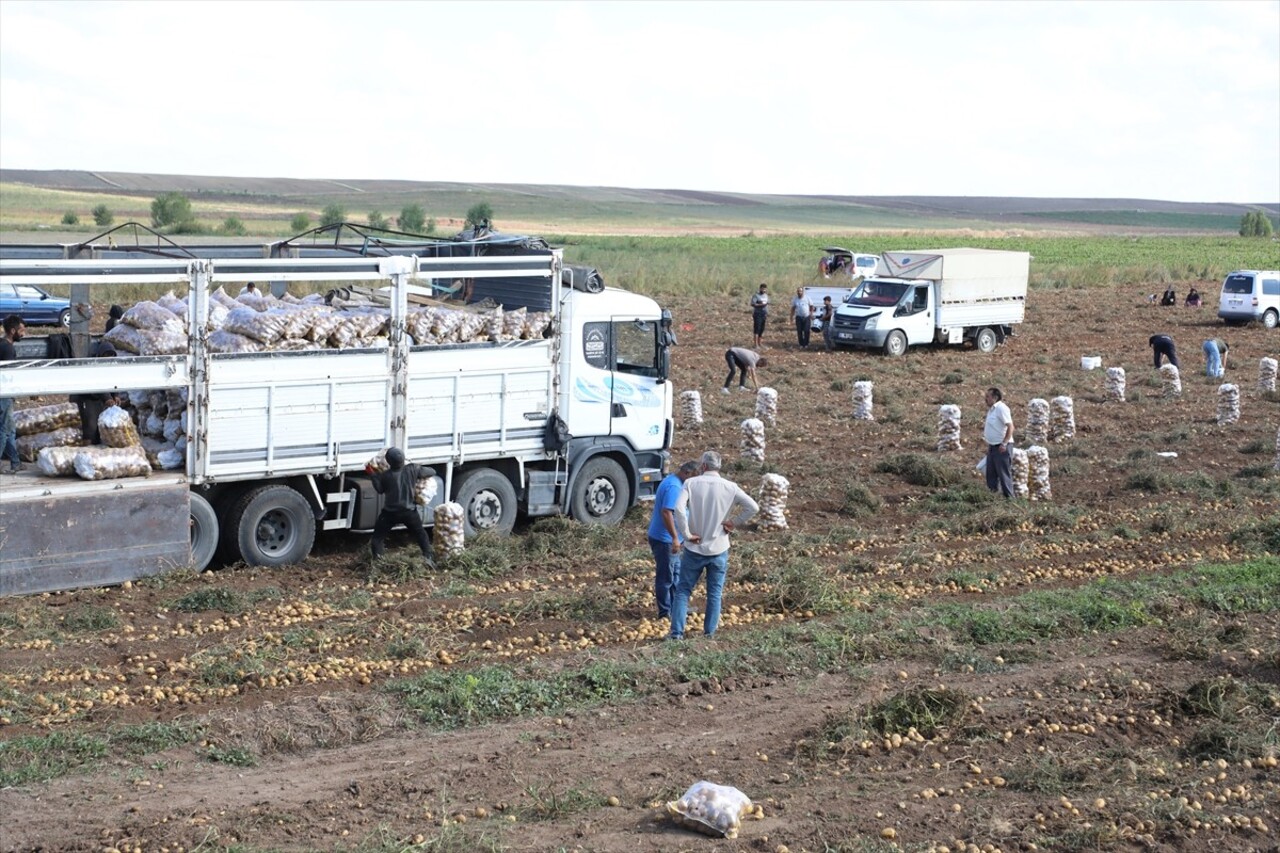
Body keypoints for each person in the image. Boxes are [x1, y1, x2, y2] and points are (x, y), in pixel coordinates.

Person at [668, 451, 759, 641]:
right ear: (719, 467)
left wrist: (686, 535)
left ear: (703, 466)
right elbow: (753, 507)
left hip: (695, 547)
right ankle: (709, 635)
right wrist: (734, 522)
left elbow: (678, 509)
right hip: (719, 549)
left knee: (683, 591)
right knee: (714, 594)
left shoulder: (691, 483)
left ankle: (677, 634)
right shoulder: (730, 487)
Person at [647, 460, 700, 620]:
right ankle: (665, 612)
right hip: (665, 540)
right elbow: (666, 512)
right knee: (666, 577)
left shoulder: (673, 481)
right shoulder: (674, 487)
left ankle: (678, 608)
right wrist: (675, 538)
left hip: (669, 539)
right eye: (694, 478)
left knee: (676, 575)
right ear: (687, 473)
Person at [367, 447, 435, 561]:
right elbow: (432, 472)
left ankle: (378, 562)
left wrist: (372, 475)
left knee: (377, 539)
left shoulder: (385, 475)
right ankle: (428, 557)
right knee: (421, 534)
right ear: (404, 459)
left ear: (388, 462)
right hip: (409, 512)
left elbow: (379, 490)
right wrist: (418, 467)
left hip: (389, 514)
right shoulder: (412, 469)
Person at [72, 346, 120, 445]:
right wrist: (107, 398)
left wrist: (115, 395)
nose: (109, 358)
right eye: (106, 356)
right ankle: (86, 450)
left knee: (101, 427)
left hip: (99, 399)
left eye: (111, 356)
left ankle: (96, 452)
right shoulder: (92, 365)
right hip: (86, 397)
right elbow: (98, 382)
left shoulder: (113, 367)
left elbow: (114, 381)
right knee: (90, 427)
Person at [1, 315, 27, 472]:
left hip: (4, 393)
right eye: (21, 330)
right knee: (4, 429)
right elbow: (10, 375)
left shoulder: (1, 344)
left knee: (10, 429)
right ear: (13, 331)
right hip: (4, 394)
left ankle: (15, 462)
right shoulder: (8, 349)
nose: (24, 334)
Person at [983, 387, 1015, 498]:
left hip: (1002, 448)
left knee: (1004, 474)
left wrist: (1004, 443)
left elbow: (1010, 427)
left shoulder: (1001, 408)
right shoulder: (992, 410)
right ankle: (993, 497)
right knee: (991, 474)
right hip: (992, 447)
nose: (985, 399)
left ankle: (1010, 500)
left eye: (988, 396)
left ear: (995, 398)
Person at [749, 283, 769, 348]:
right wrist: (760, 305)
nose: (763, 290)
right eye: (762, 288)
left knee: (761, 329)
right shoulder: (756, 296)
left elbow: (767, 303)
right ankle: (756, 344)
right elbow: (752, 304)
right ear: (760, 288)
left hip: (764, 314)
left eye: (765, 289)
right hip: (757, 314)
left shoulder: (766, 295)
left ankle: (760, 343)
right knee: (757, 329)